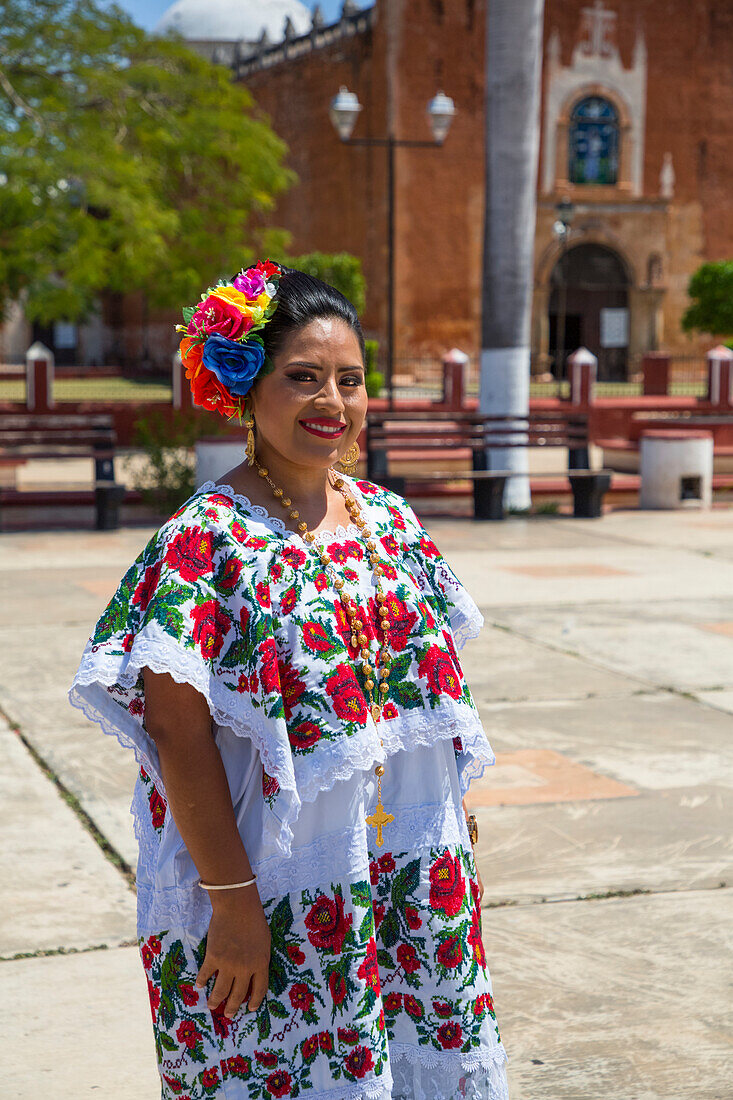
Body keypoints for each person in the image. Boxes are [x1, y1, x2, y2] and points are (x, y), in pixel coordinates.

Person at [70, 262, 509, 1100]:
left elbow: (418, 708)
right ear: (244, 388)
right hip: (279, 890)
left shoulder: (390, 519)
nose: (331, 402)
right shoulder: (207, 540)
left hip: (408, 879)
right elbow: (175, 732)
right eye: (302, 378)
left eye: (349, 380)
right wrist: (232, 905)